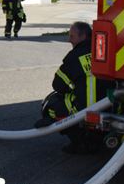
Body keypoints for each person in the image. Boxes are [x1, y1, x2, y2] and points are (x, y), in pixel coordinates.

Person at [38, 21, 98, 153]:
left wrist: (72, 90)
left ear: (83, 37)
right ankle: (96, 137)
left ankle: (80, 142)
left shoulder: (74, 56)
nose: (69, 40)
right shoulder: (102, 51)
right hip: (110, 106)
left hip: (84, 109)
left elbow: (57, 84)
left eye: (72, 36)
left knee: (50, 105)